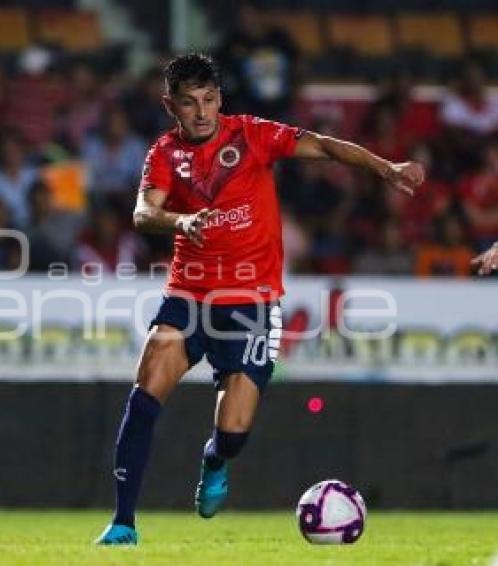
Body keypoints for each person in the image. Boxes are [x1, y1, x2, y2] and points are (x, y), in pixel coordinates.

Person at [94, 53, 423, 545]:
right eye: (189, 103)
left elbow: (325, 146)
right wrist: (180, 221)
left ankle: (215, 459)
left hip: (250, 302)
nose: (201, 112)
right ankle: (122, 524)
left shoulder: (252, 135)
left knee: (234, 430)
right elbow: (144, 212)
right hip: (188, 294)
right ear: (170, 106)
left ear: (220, 99)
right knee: (144, 394)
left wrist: (384, 166)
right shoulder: (164, 154)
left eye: (209, 100)